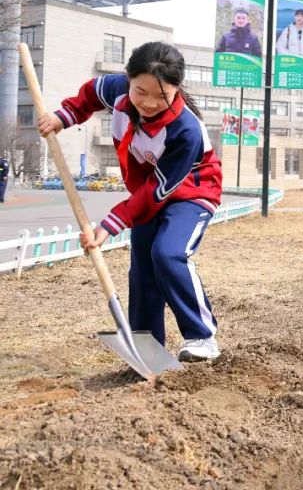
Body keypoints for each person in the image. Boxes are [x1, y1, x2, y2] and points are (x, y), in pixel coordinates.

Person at [38, 41, 224, 362]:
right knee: (142, 265)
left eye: (161, 95)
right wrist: (62, 117)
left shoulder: (186, 131)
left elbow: (157, 191)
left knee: (167, 254)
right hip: (148, 191)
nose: (149, 103)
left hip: (192, 190)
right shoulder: (118, 91)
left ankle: (202, 337)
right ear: (128, 79)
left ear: (177, 89)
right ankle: (147, 345)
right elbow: (90, 94)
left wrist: (110, 225)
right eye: (141, 92)